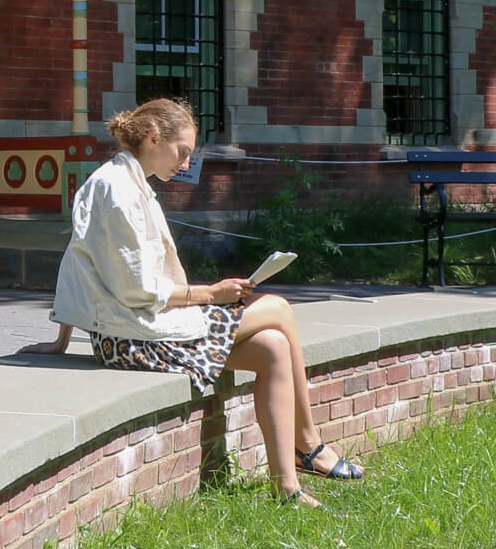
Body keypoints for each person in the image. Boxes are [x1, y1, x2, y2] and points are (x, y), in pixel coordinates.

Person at [18, 98, 363, 507]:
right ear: (152, 138)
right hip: (131, 340)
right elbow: (135, 290)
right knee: (279, 308)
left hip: (141, 331)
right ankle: (308, 443)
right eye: (182, 152)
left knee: (273, 347)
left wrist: (60, 339)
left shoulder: (129, 182)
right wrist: (211, 294)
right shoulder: (116, 189)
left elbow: (84, 262)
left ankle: (285, 485)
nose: (185, 165)